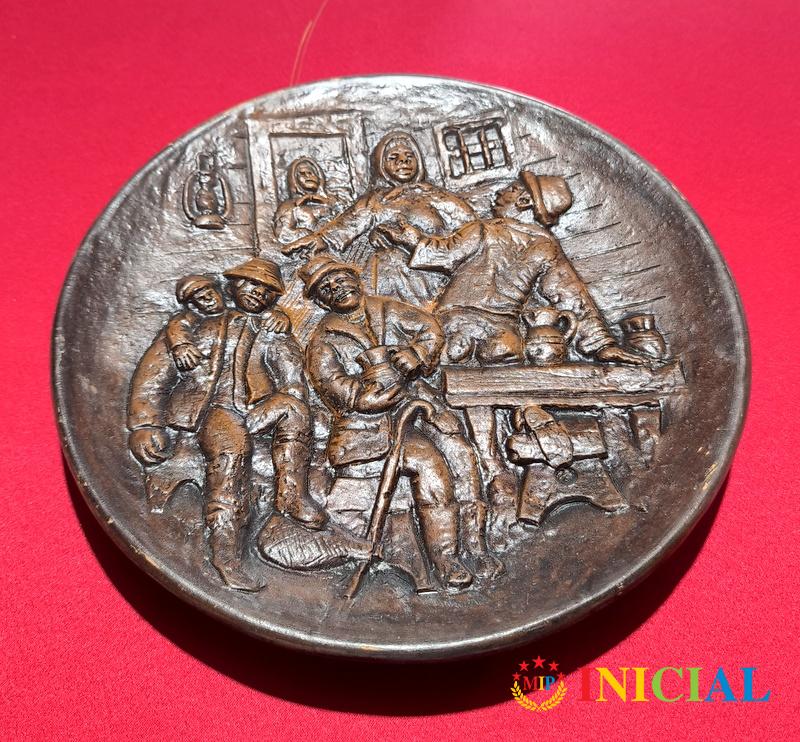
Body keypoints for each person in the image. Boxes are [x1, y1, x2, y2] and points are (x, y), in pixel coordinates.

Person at [375, 170, 646, 523]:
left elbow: (444, 253)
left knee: (459, 391)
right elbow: (571, 297)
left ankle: (490, 464)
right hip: (505, 332)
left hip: (456, 324)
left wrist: (406, 235)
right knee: (502, 385)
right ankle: (527, 415)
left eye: (512, 189)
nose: (501, 192)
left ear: (524, 201)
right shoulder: (545, 247)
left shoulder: (484, 229)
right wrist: (602, 344)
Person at [300, 255, 504, 587]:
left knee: (462, 456)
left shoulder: (388, 309)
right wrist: (362, 398)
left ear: (356, 279)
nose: (336, 288)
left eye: (340, 279)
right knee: (429, 464)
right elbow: (331, 383)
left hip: (420, 404)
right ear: (321, 301)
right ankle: (446, 558)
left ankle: (476, 544)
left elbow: (430, 329)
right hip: (366, 427)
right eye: (326, 288)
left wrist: (417, 354)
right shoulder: (323, 338)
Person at [127, 258, 326, 592]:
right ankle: (226, 555)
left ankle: (292, 495)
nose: (257, 293)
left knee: (294, 408)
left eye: (267, 290)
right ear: (232, 285)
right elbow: (154, 373)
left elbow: (294, 381)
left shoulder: (274, 330)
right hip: (212, 410)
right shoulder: (194, 326)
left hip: (256, 409)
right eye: (250, 283)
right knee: (232, 452)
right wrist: (145, 424)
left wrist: (282, 397)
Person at [282, 131, 476, 308]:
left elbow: (473, 232)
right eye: (393, 157)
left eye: (409, 156)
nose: (403, 161)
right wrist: (320, 238)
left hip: (432, 271)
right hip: (387, 275)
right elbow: (349, 224)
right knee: (386, 266)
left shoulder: (437, 196)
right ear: (381, 164)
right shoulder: (377, 199)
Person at [165, 274, 289, 371]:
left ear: (218, 291)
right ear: (193, 306)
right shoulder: (195, 317)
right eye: (201, 298)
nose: (209, 299)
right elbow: (178, 323)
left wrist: (279, 314)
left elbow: (261, 309)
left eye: (210, 294)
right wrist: (180, 344)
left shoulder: (232, 301)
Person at [272, 156, 339, 244]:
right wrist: (310, 236)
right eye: (302, 174)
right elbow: (283, 233)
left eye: (310, 173)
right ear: (294, 179)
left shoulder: (334, 202)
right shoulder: (289, 205)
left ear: (319, 177)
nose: (308, 176)